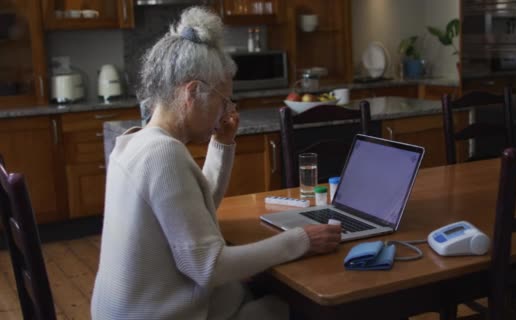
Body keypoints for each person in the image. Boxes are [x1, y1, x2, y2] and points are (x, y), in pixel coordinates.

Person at [91, 7, 341, 320]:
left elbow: (199, 207)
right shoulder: (164, 155)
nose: (227, 112)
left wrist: (222, 143)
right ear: (192, 92)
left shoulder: (133, 143)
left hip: (127, 312)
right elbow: (210, 267)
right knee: (302, 307)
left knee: (255, 285)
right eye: (223, 101)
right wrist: (301, 239)